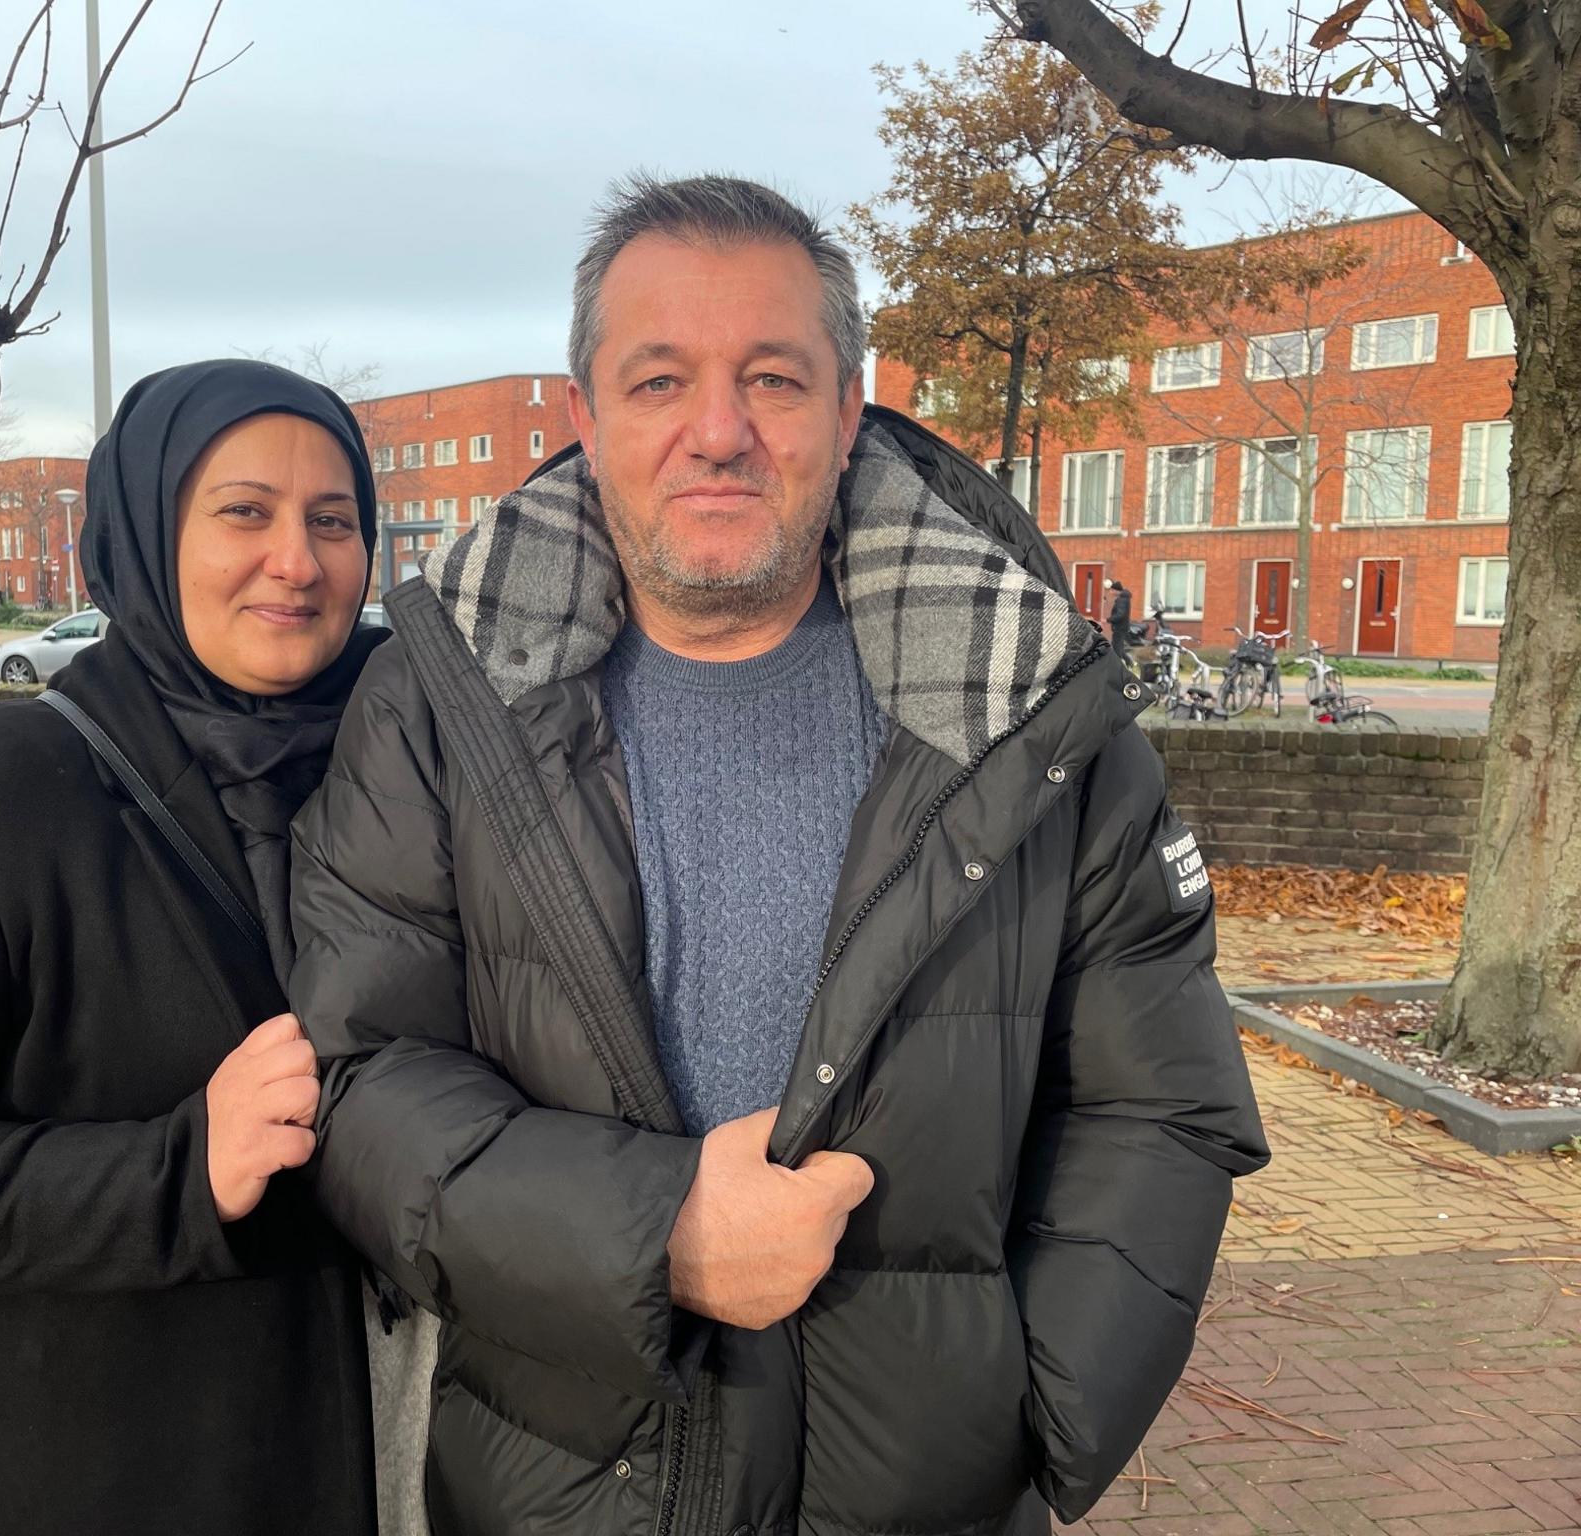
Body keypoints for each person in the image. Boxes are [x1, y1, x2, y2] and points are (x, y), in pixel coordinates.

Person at [287, 175, 1268, 1536]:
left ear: (850, 403)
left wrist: (1035, 1414)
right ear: (583, 417)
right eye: (658, 381)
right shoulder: (438, 711)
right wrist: (654, 1236)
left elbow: (1156, 1104)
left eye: (773, 379)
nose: (719, 432)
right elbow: (365, 1079)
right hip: (554, 1488)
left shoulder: (1032, 713)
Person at [0, 360, 387, 1536]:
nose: (296, 559)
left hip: (393, 1474)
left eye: (332, 520)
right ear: (139, 534)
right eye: (243, 511)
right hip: (108, 1476)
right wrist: (173, 1174)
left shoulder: (412, 772)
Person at [1108, 576, 1135, 661]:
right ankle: (1130, 662)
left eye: (1112, 590)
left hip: (1120, 627)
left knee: (1117, 649)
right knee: (1117, 647)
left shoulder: (1121, 600)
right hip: (1121, 627)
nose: (1110, 592)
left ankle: (1119, 666)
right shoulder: (1123, 599)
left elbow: (1120, 614)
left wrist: (1110, 619)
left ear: (1116, 591)